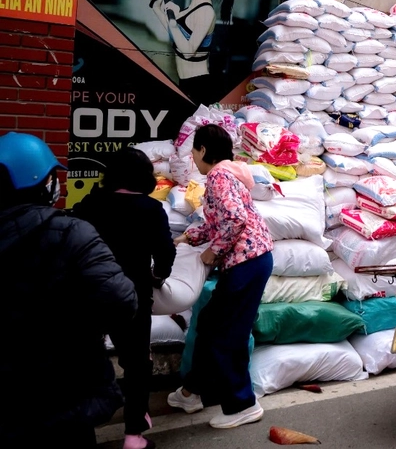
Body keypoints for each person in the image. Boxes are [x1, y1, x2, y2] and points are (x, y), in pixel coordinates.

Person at [0, 133, 137, 447]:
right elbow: (122, 300)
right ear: (43, 182)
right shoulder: (72, 232)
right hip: (65, 392)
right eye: (53, 177)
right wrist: (81, 328)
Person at [168, 125, 273, 429]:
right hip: (254, 260)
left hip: (246, 262)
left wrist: (213, 250)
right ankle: (191, 392)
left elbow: (235, 220)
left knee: (227, 334)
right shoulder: (231, 174)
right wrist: (189, 237)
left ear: (203, 150)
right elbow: (222, 220)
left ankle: (243, 404)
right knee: (211, 325)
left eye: (194, 152)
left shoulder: (217, 177)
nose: (193, 158)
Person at [72, 148, 176, 449]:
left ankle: (83, 427)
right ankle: (133, 435)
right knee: (137, 364)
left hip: (90, 295)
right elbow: (165, 254)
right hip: (131, 297)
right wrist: (158, 277)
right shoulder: (150, 209)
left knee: (85, 360)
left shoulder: (90, 204)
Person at [150, 0, 235, 104]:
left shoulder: (206, 12)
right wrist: (157, 9)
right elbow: (175, 34)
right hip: (185, 83)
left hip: (199, 86)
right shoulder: (190, 9)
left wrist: (173, 22)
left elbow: (189, 51)